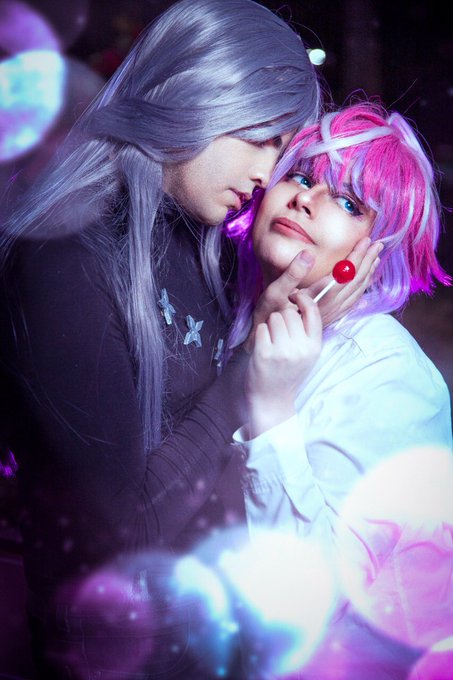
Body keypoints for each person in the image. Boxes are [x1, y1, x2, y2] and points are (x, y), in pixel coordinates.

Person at [0, 1, 383, 678]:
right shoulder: (62, 257)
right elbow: (119, 538)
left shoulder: (199, 240)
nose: (267, 175)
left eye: (281, 150)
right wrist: (248, 372)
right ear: (196, 93)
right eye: (260, 138)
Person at [227, 100, 453, 678]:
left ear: (377, 254)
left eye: (349, 203)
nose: (306, 199)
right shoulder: (233, 310)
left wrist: (271, 408)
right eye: (302, 178)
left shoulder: (391, 379)